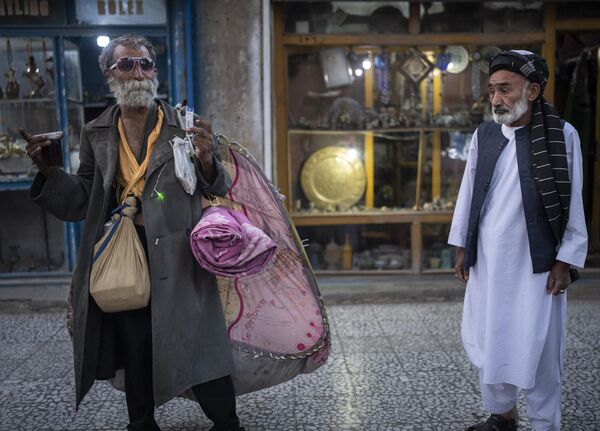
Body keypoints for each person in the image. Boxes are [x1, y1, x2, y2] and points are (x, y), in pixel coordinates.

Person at [21, 34, 244, 431]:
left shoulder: (184, 126)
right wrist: (49, 173)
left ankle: (227, 423)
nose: (136, 72)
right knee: (136, 345)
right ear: (109, 74)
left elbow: (216, 187)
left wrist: (209, 160)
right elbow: (83, 197)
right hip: (125, 252)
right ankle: (141, 424)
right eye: (125, 65)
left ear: (154, 72)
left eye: (144, 64)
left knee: (200, 344)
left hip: (180, 254)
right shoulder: (96, 132)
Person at [448, 50, 588, 431]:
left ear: (533, 89)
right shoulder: (486, 134)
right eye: (493, 90)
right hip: (490, 261)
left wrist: (566, 260)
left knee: (540, 347)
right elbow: (469, 192)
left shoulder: (562, 135)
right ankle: (502, 415)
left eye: (505, 90)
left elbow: (574, 202)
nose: (496, 100)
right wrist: (463, 246)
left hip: (537, 265)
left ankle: (544, 423)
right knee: (491, 336)